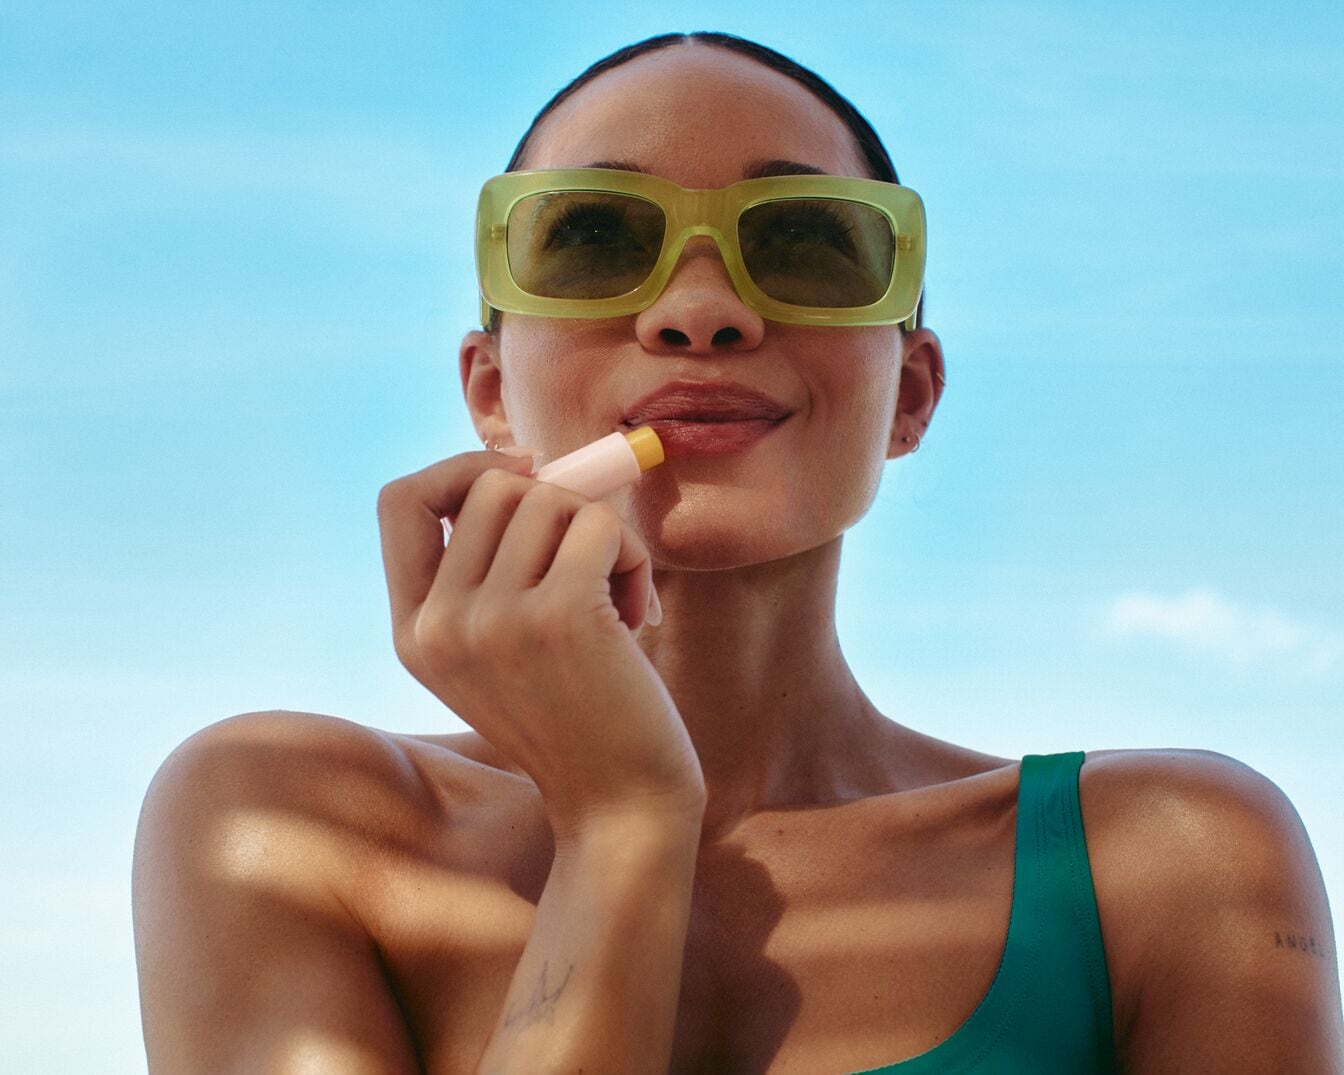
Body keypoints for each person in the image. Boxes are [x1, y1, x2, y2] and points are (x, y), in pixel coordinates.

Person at [132, 31, 1343, 1073]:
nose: (700, 311)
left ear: (911, 394)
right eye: (595, 238)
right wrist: (621, 820)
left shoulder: (1170, 860)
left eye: (807, 243)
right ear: (490, 390)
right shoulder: (288, 824)